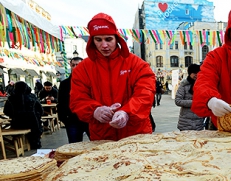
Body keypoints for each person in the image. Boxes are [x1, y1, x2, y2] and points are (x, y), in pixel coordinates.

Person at [70, 13, 155, 141]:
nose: (104, 45)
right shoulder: (82, 68)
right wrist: (95, 110)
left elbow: (145, 94)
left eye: (108, 39)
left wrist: (127, 112)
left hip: (136, 133)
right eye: (98, 40)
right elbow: (78, 99)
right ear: (92, 41)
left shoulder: (137, 64)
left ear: (117, 39)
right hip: (102, 135)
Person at [57, 57, 90, 143]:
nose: (75, 67)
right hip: (72, 120)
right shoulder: (64, 84)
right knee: (74, 147)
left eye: (78, 65)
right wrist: (64, 118)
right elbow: (61, 102)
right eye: (73, 65)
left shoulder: (90, 81)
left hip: (88, 119)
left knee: (96, 145)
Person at [3, 81, 44, 149]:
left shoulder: (11, 98)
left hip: (17, 124)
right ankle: (35, 144)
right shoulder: (32, 97)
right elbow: (41, 111)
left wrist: (14, 115)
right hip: (33, 125)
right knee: (36, 123)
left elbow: (6, 111)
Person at [175, 64, 204, 131]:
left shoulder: (202, 85)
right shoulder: (184, 85)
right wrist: (194, 103)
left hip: (199, 122)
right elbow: (178, 101)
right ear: (190, 73)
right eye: (194, 73)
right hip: (185, 122)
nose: (196, 75)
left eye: (198, 73)